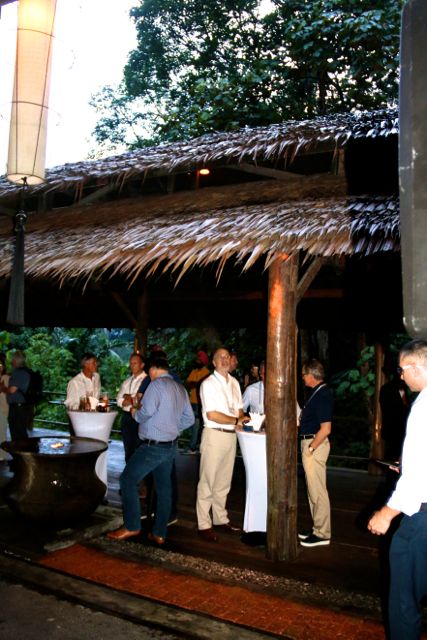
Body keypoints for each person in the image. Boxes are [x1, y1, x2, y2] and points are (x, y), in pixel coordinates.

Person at [368, 339, 427, 640]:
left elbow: (418, 476)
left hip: (422, 517)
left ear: (416, 367)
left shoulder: (423, 406)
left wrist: (387, 513)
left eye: (403, 369)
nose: (401, 376)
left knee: (404, 598)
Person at [107, 356, 194, 545]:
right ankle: (159, 532)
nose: (149, 376)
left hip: (153, 446)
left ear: (153, 369)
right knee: (164, 488)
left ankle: (132, 526)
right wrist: (172, 429)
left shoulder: (155, 385)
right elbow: (189, 419)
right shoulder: (180, 388)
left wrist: (134, 411)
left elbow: (143, 414)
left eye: (149, 372)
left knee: (127, 480)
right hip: (170, 445)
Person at [196, 347, 248, 542]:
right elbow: (212, 414)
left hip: (231, 436)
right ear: (214, 362)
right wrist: (237, 420)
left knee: (224, 482)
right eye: (221, 357)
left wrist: (241, 419)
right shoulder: (208, 384)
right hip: (214, 435)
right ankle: (204, 524)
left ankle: (220, 518)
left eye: (227, 357)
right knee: (207, 481)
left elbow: (240, 409)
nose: (225, 360)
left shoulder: (234, 382)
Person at [298, 359, 333, 548]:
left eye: (304, 374)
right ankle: (317, 528)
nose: (303, 378)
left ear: (311, 375)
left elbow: (326, 428)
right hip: (311, 443)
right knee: (313, 490)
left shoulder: (323, 395)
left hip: (314, 445)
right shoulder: (316, 393)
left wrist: (311, 448)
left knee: (318, 491)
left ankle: (322, 533)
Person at [116, 352, 147, 463]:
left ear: (142, 365)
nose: (132, 366)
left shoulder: (147, 380)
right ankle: (129, 470)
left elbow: (142, 399)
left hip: (139, 417)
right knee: (128, 447)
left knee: (139, 447)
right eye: (131, 363)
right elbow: (118, 398)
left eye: (135, 363)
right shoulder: (127, 381)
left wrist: (128, 397)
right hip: (126, 417)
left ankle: (138, 471)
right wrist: (127, 399)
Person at [0, 350, 34, 440]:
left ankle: (22, 449)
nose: (11, 361)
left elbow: (12, 390)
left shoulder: (18, 373)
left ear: (16, 360)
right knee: (20, 432)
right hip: (22, 407)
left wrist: (3, 388)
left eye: (13, 359)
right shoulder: (25, 372)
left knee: (17, 433)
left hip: (17, 408)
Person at [379, 371, 409, 461]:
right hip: (399, 427)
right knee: (397, 452)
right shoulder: (400, 388)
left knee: (390, 452)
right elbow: (405, 403)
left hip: (388, 426)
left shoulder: (384, 388)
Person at [185, 350, 210, 452]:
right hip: (192, 402)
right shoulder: (194, 371)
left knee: (197, 424)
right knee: (192, 424)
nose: (197, 361)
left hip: (201, 403)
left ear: (203, 361)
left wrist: (194, 384)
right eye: (197, 359)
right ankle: (194, 444)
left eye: (199, 360)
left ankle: (193, 446)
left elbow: (200, 385)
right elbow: (187, 384)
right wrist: (196, 384)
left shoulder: (206, 372)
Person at [0, 358, 9, 459]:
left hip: (2, 408)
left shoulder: (6, 378)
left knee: (1, 432)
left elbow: (7, 391)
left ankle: (2, 454)